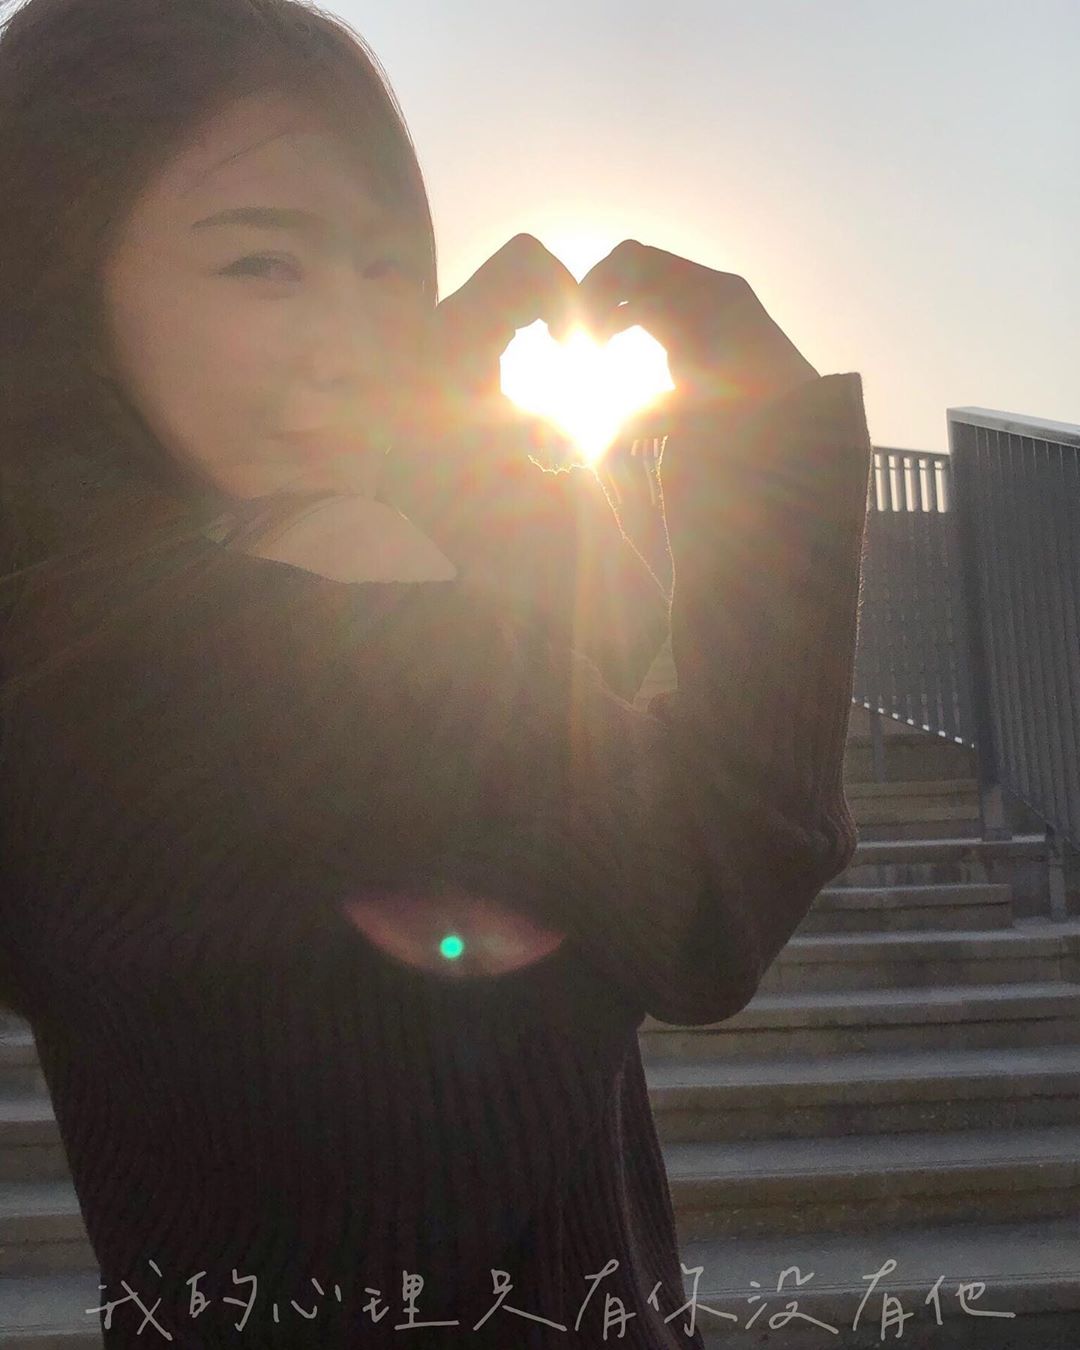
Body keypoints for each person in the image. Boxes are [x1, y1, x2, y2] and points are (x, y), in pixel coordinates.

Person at [0, 0, 873, 1345]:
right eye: (261, 264)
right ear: (58, 281)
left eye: (387, 266)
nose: (356, 340)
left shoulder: (62, 641)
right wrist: (774, 458)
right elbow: (705, 897)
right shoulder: (336, 574)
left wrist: (440, 472)